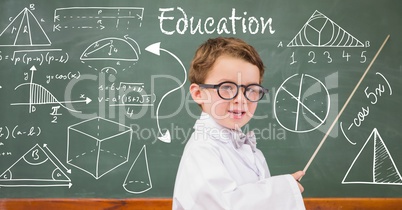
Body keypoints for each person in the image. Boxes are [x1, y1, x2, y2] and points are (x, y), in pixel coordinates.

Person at [172, 37, 305, 210]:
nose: (241, 100)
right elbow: (222, 206)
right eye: (227, 87)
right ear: (199, 94)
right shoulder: (202, 149)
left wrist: (283, 190)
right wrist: (283, 189)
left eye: (251, 90)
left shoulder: (246, 148)